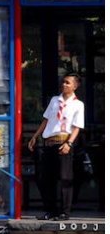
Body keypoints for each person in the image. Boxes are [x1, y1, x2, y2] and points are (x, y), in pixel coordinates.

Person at [27, 73, 84, 221]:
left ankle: (65, 212)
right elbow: (46, 120)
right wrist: (35, 136)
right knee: (46, 178)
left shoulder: (78, 104)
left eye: (68, 83)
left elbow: (77, 127)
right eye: (63, 82)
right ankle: (51, 209)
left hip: (63, 142)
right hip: (49, 143)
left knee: (66, 178)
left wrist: (69, 143)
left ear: (75, 86)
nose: (64, 85)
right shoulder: (54, 100)